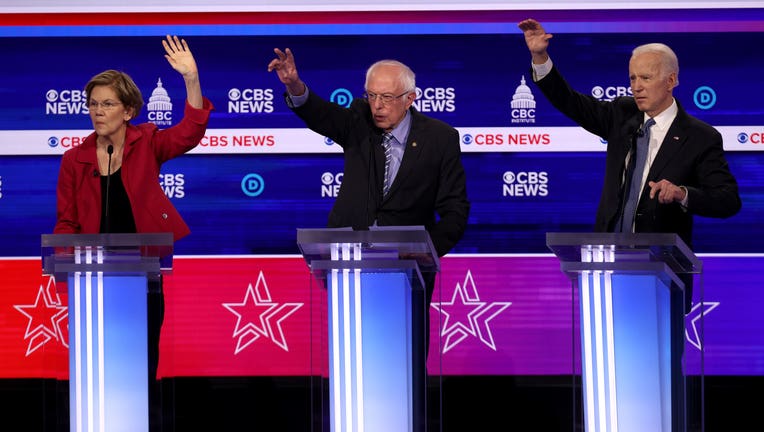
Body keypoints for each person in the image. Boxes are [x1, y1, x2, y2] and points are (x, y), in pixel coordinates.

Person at [518, 18, 741, 431]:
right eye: (632, 78)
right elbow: (571, 102)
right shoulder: (621, 116)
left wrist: (683, 194)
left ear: (671, 80)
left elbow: (729, 200)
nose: (636, 86)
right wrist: (541, 57)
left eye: (646, 78)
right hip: (606, 268)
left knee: (657, 368)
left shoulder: (699, 136)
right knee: (607, 362)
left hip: (661, 276)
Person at [268, 48, 470, 429]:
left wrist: (426, 251)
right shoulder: (358, 122)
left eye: (387, 98)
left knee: (404, 361)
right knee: (354, 357)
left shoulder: (440, 138)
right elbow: (321, 114)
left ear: (411, 98)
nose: (377, 106)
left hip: (408, 275)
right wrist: (294, 85)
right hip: (350, 268)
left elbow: (456, 211)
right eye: (371, 95)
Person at [53, 35, 213, 431]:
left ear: (128, 111)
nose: (97, 111)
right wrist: (64, 267)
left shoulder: (148, 143)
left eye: (106, 104)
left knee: (141, 364)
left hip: (143, 278)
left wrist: (191, 79)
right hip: (92, 283)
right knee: (96, 366)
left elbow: (190, 132)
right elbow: (66, 222)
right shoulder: (75, 159)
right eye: (92, 103)